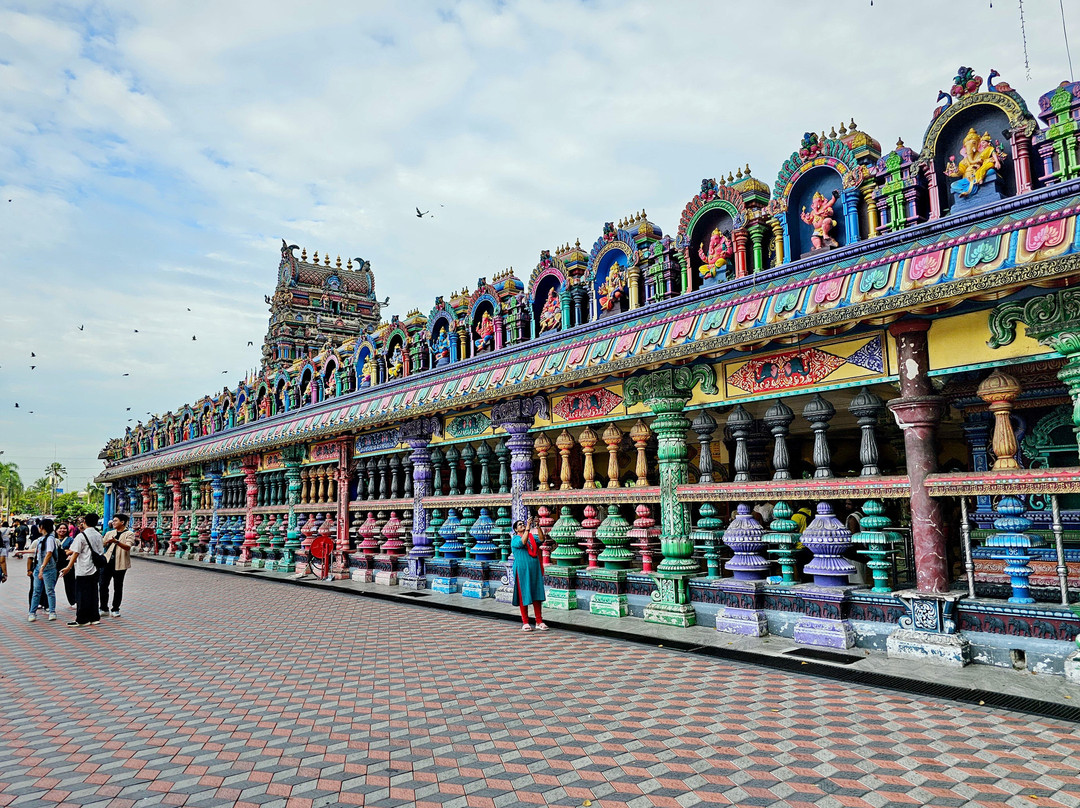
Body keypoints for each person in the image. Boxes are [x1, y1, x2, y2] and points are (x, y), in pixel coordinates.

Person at [61, 514, 105, 628]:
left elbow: (75, 552)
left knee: (81, 595)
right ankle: (94, 617)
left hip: (84, 568)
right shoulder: (98, 535)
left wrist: (68, 567)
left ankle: (82, 619)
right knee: (93, 593)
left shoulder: (81, 536)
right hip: (95, 568)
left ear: (85, 522)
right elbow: (101, 551)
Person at [511, 514, 547, 632]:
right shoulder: (515, 539)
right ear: (516, 529)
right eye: (520, 525)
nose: (522, 525)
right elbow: (522, 542)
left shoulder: (532, 537)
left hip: (534, 570)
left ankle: (539, 621)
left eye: (523, 523)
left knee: (537, 595)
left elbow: (541, 540)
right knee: (523, 595)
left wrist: (538, 526)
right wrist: (527, 527)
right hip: (522, 571)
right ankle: (525, 622)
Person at [100, 514, 134, 618]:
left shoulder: (129, 534)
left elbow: (128, 547)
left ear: (122, 522)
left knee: (118, 587)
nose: (113, 523)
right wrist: (106, 541)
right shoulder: (110, 532)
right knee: (102, 585)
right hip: (107, 562)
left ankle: (115, 608)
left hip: (120, 563)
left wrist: (116, 542)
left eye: (115, 521)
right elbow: (102, 544)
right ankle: (103, 608)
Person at [28, 518, 59, 622]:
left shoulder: (50, 539)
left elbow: (49, 553)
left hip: (48, 569)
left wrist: (42, 568)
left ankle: (52, 611)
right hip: (39, 567)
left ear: (42, 527)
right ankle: (32, 612)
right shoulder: (41, 539)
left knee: (49, 591)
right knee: (36, 591)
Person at [56, 523, 77, 610]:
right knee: (50, 583)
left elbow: (74, 550)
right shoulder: (53, 539)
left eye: (64, 528)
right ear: (56, 530)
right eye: (60, 528)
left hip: (67, 563)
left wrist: (67, 552)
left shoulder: (70, 540)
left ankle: (73, 601)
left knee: (70, 583)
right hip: (55, 563)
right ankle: (44, 602)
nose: (62, 530)